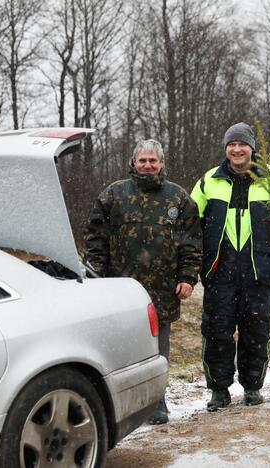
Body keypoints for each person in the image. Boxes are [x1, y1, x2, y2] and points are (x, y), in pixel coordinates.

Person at [84, 139, 201, 425]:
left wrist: (187, 277)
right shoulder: (114, 194)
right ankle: (119, 404)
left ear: (162, 164)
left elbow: (191, 243)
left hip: (162, 289)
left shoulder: (178, 198)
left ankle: (156, 402)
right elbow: (95, 239)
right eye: (142, 161)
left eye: (153, 161)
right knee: (119, 349)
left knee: (158, 350)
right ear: (133, 163)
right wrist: (95, 275)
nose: (147, 165)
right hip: (120, 291)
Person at [190, 122, 270, 411]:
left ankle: (252, 387)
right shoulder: (208, 181)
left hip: (260, 272)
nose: (237, 149)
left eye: (243, 144)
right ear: (226, 149)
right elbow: (189, 227)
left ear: (252, 148)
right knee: (216, 332)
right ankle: (219, 390)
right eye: (232, 145)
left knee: (256, 331)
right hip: (219, 272)